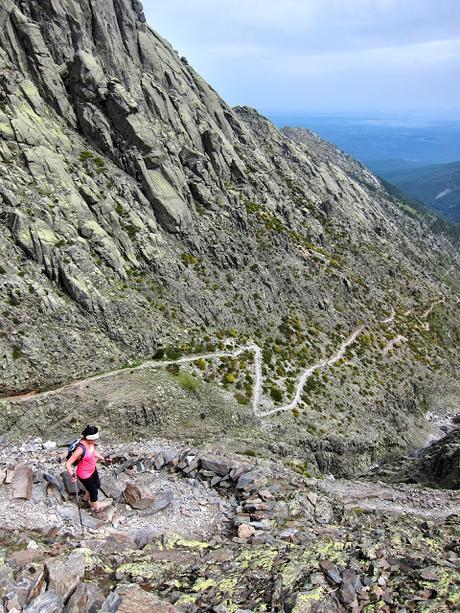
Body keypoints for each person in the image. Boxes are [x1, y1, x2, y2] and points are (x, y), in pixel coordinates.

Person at [65, 425, 109, 513]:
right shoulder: (80, 449)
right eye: (94, 439)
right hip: (84, 474)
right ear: (89, 438)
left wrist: (103, 458)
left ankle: (84, 501)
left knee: (97, 485)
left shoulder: (91, 443)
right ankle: (97, 510)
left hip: (92, 469)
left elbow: (93, 452)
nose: (95, 441)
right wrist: (72, 475)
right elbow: (68, 463)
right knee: (94, 492)